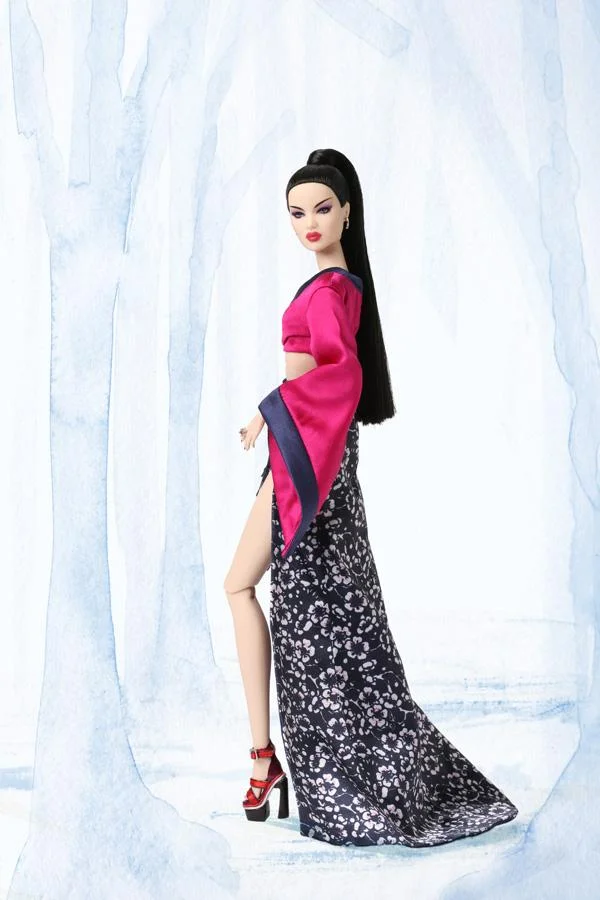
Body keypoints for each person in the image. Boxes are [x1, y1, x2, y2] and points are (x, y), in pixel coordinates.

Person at [224, 148, 518, 846]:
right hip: (313, 458)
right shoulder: (339, 286)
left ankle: (265, 760)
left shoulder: (330, 291)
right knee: (327, 615)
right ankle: (269, 758)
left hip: (307, 465)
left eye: (322, 208)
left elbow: (340, 378)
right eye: (297, 212)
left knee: (245, 588)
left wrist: (270, 408)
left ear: (348, 212)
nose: (309, 223)